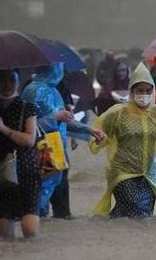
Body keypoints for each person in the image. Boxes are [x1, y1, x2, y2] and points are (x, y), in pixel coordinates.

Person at [89, 62, 156, 218]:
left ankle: (120, 231)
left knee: (142, 215)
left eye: (147, 91)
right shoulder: (117, 113)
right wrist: (99, 140)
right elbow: (99, 133)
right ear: (131, 91)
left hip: (151, 175)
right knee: (133, 203)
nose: (144, 95)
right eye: (140, 91)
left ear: (153, 91)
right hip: (122, 172)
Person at [21, 63, 104, 218]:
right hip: (41, 152)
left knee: (62, 211)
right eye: (58, 67)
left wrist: (89, 130)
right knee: (39, 202)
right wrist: (55, 117)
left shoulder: (54, 92)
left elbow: (65, 120)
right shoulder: (32, 91)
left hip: (58, 153)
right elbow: (26, 126)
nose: (60, 71)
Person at [0, 69, 40, 239]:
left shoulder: (28, 107)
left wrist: (3, 128)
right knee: (4, 237)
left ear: (18, 80)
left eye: (12, 79)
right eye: (2, 80)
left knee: (30, 232)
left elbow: (29, 140)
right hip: (1, 172)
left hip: (26, 170)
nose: (7, 85)